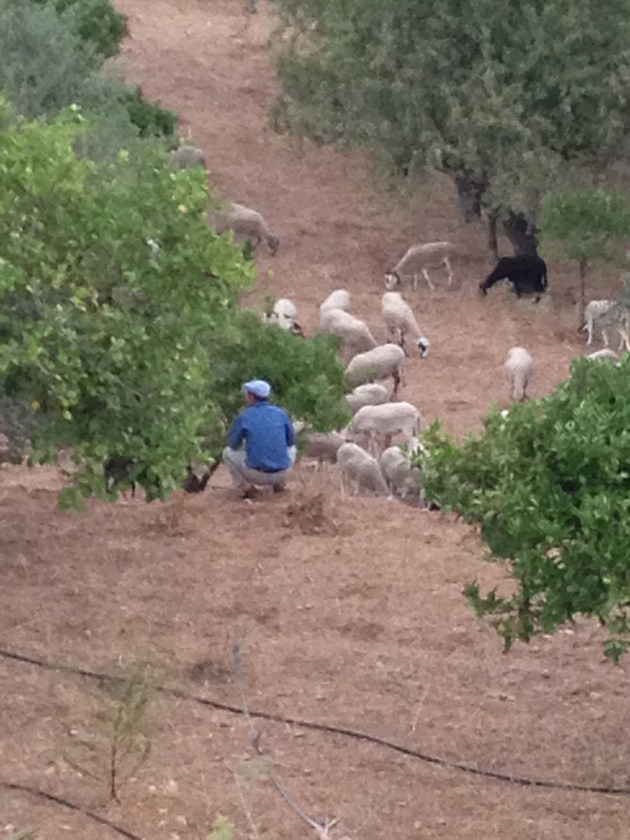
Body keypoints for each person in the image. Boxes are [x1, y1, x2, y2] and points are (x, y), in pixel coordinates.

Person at [223, 379, 297, 498]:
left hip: (256, 474)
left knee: (227, 453)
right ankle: (279, 484)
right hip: (282, 472)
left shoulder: (245, 416)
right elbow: (291, 441)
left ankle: (247, 488)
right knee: (292, 449)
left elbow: (233, 444)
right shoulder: (281, 413)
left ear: (252, 397)